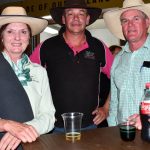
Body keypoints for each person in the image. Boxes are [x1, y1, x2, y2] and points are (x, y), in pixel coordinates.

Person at [30, 0, 113, 132]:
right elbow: (28, 81)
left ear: (87, 19)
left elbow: (118, 77)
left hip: (90, 126)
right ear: (63, 19)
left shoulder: (99, 47)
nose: (76, 18)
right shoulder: (46, 47)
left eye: (81, 13)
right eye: (70, 14)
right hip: (54, 126)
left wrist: (107, 108)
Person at [0, 6, 55, 150]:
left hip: (32, 143)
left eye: (23, 32)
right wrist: (7, 125)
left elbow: (49, 116)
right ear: (1, 36)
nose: (17, 37)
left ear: (29, 38)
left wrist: (26, 128)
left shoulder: (40, 72)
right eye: (10, 31)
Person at [103, 0, 150, 129]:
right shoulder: (118, 59)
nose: (130, 25)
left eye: (136, 19)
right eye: (125, 21)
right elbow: (114, 102)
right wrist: (113, 129)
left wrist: (147, 118)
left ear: (147, 22)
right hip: (122, 135)